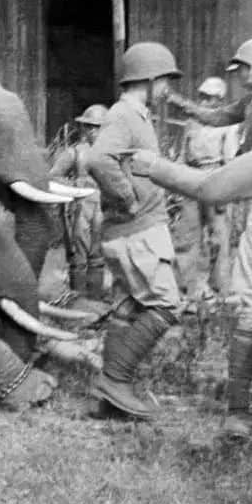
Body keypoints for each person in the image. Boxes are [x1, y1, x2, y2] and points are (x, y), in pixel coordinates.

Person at [127, 38, 252, 437]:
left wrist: (156, 167)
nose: (242, 79)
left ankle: (237, 411)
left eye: (246, 72)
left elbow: (212, 188)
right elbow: (217, 116)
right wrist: (181, 104)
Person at [84, 42, 184, 419]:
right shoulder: (124, 116)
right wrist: (128, 198)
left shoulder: (135, 116)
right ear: (150, 78)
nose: (166, 90)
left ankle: (111, 403)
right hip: (136, 231)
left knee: (127, 308)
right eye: (165, 81)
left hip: (135, 230)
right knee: (166, 304)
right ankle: (116, 380)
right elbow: (97, 158)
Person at [172, 76, 240, 308]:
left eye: (212, 98)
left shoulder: (227, 125)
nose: (207, 102)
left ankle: (220, 288)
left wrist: (226, 191)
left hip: (215, 176)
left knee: (218, 236)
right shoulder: (192, 122)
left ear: (220, 100)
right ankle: (187, 289)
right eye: (204, 97)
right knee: (187, 235)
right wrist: (177, 181)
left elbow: (230, 159)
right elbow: (183, 153)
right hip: (192, 178)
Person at [48, 104, 109, 300]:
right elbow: (53, 176)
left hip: (104, 208)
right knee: (78, 255)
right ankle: (78, 300)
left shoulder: (112, 154)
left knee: (98, 256)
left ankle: (96, 300)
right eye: (89, 126)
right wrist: (73, 185)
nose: (93, 131)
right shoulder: (75, 153)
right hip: (80, 208)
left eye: (97, 127)